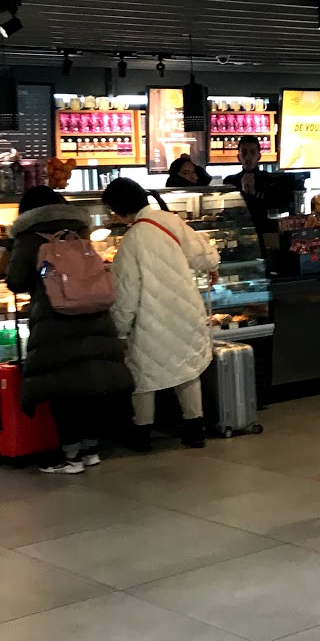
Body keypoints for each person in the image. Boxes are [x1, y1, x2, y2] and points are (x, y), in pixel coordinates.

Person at [5, 187, 131, 474]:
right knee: (87, 388)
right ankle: (91, 451)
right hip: (92, 315)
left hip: (55, 321)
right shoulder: (79, 230)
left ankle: (71, 457)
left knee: (62, 391)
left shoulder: (29, 237)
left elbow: (16, 281)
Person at [102, 176, 219, 451]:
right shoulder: (171, 221)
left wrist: (120, 329)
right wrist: (213, 267)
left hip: (150, 319)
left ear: (121, 210)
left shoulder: (131, 240)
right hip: (186, 310)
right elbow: (206, 256)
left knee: (143, 375)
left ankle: (142, 435)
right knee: (187, 369)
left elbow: (126, 293)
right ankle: (195, 429)